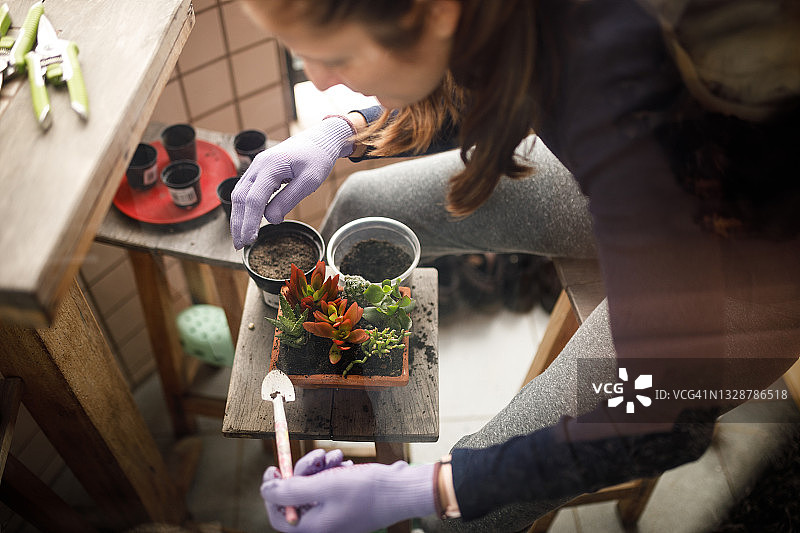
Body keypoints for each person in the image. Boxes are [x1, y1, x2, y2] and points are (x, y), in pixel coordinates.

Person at [229, 1, 800, 531]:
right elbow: (477, 70)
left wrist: (432, 489)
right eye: (300, 52)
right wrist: (345, 129)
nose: (320, 78)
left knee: (468, 513)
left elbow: (659, 418)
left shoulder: (615, 86)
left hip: (749, 261)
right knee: (361, 206)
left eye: (337, 55)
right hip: (649, 181)